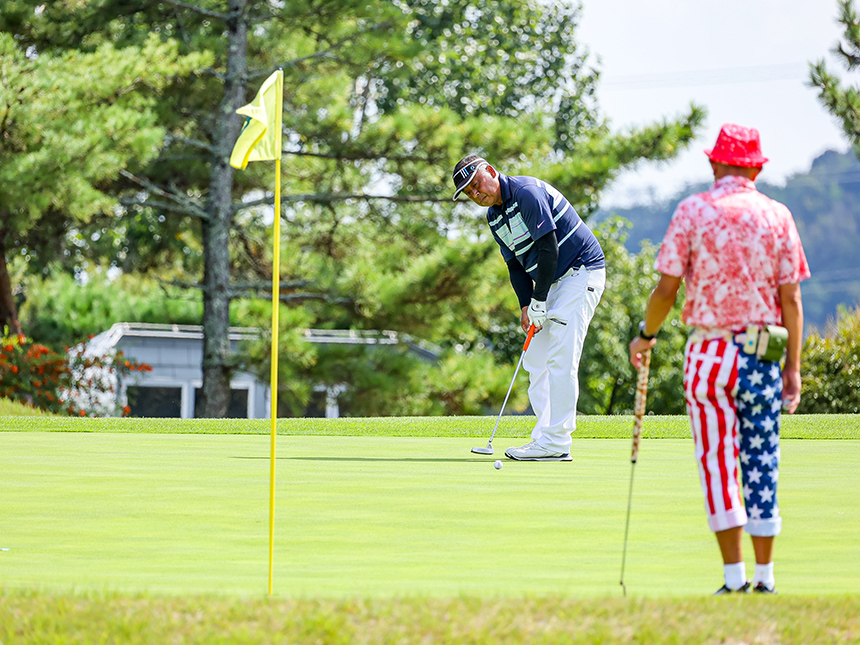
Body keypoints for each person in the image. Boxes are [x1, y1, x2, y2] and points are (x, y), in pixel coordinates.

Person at [628, 124, 810, 595]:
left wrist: (646, 336)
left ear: (715, 164)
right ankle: (765, 578)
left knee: (717, 461)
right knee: (762, 458)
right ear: (756, 168)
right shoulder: (778, 215)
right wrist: (792, 368)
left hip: (709, 353)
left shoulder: (693, 210)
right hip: (763, 354)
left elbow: (666, 290)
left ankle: (734, 578)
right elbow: (791, 299)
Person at [452, 155, 605, 461]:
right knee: (536, 359)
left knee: (561, 357)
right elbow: (515, 266)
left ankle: (557, 441)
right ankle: (544, 437)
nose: (476, 193)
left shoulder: (526, 193)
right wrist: (526, 305)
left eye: (476, 184)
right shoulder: (494, 217)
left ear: (491, 171)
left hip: (580, 272)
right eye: (469, 192)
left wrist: (539, 299)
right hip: (551, 283)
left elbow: (549, 248)